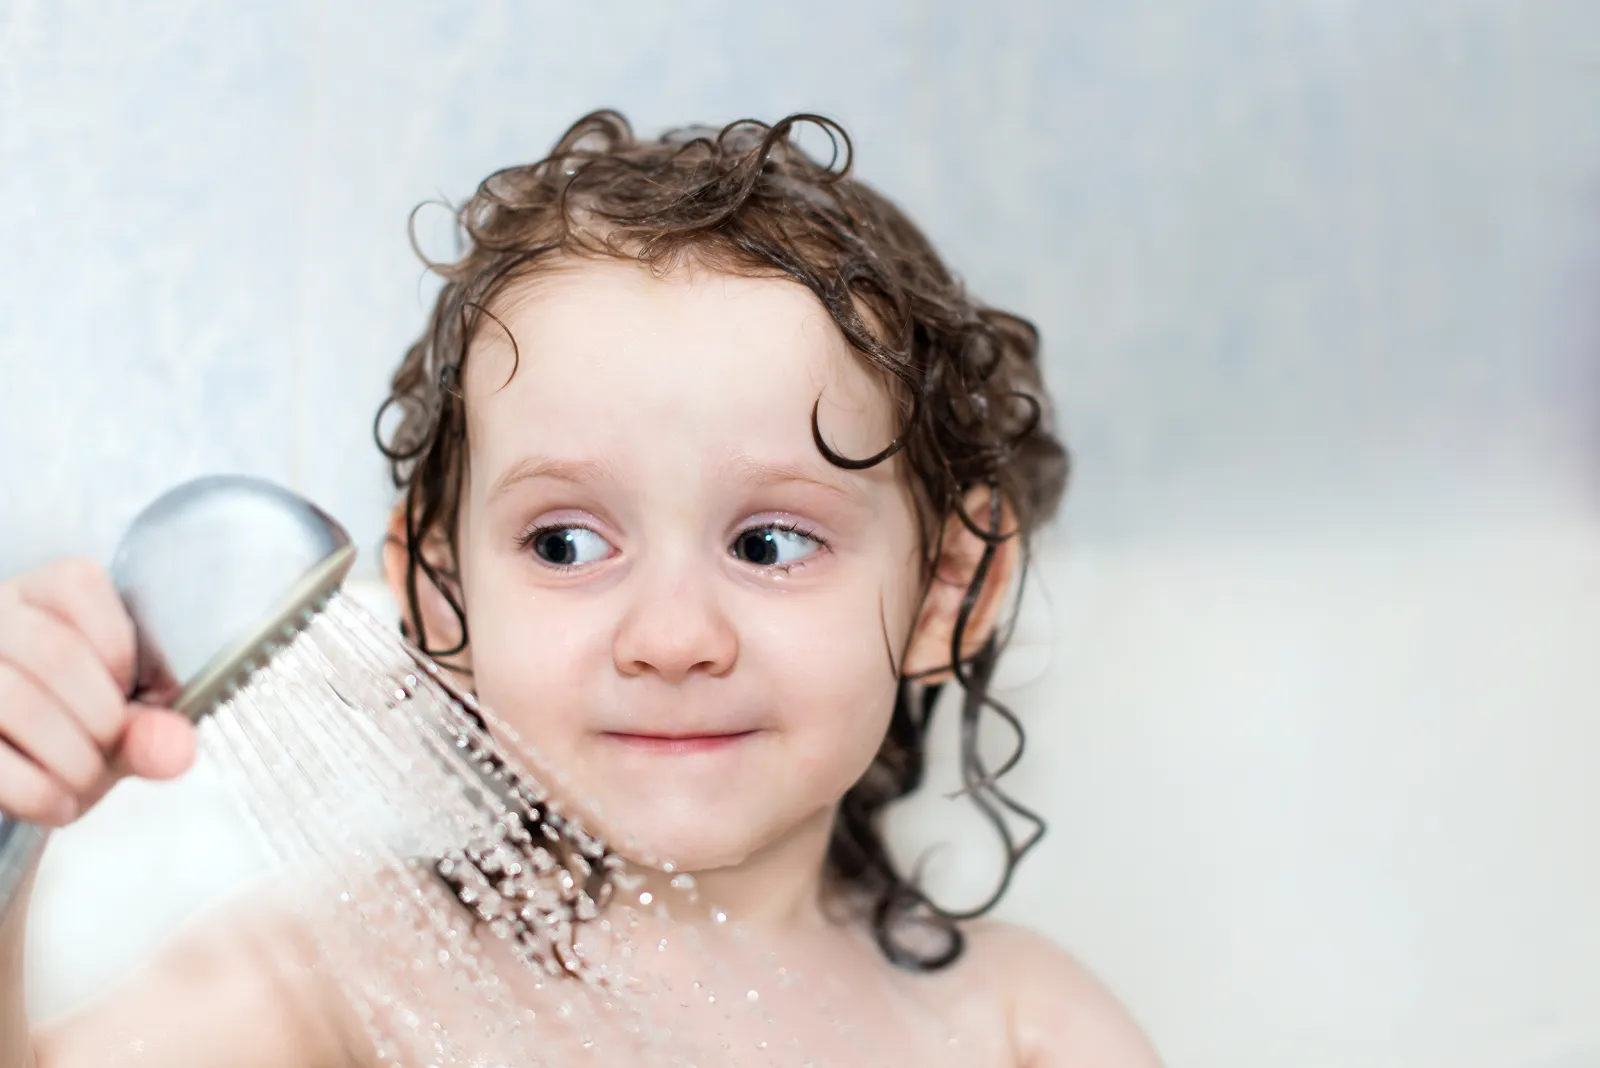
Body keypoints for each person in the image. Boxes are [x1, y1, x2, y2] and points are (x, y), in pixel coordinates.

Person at [0, 111, 1162, 1066]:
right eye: (563, 544)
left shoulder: (1015, 1027)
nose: (670, 637)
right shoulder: (342, 981)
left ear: (946, 591)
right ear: (439, 596)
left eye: (767, 544)